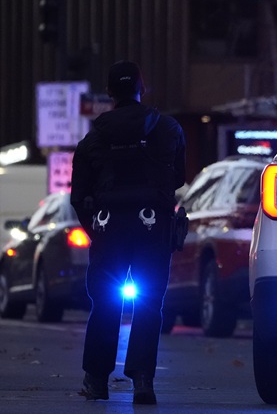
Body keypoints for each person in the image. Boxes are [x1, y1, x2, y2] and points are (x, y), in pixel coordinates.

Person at [70, 60, 186, 405]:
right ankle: (143, 380)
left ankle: (96, 380)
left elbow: (78, 195)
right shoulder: (168, 129)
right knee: (150, 303)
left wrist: (96, 229)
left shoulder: (93, 139)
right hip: (154, 228)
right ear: (141, 87)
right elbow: (178, 177)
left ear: (109, 92)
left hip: (109, 229)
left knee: (105, 302)